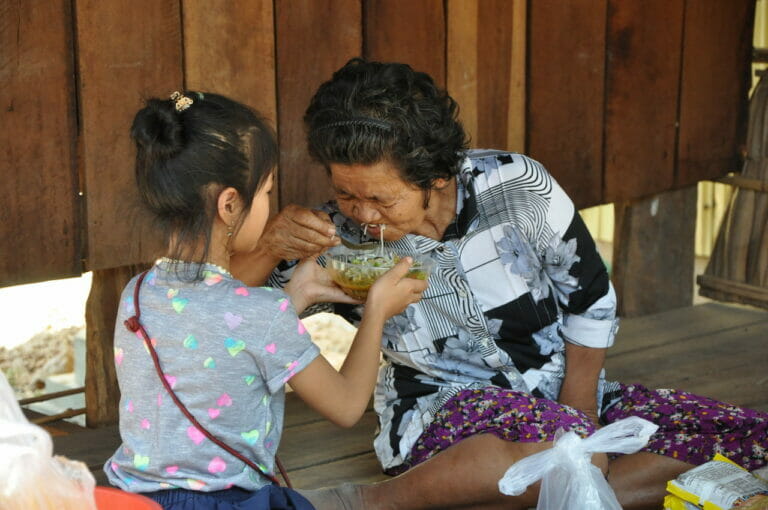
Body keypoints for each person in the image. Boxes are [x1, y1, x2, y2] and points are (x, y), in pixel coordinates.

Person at [231, 59, 768, 510]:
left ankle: (528, 491)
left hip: (559, 389)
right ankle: (378, 501)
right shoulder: (337, 239)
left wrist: (578, 410)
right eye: (347, 194)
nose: (363, 214)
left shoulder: (517, 188)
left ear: (436, 176)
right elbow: (228, 313)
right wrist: (267, 248)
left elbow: (590, 300)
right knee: (573, 451)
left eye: (382, 199)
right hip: (439, 407)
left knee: (747, 440)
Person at [104, 90, 428, 510]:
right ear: (230, 204)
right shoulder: (261, 312)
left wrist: (298, 293)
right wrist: (378, 310)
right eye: (267, 193)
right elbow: (347, 406)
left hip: (132, 500)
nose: (270, 205)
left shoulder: (138, 292)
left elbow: (220, 344)